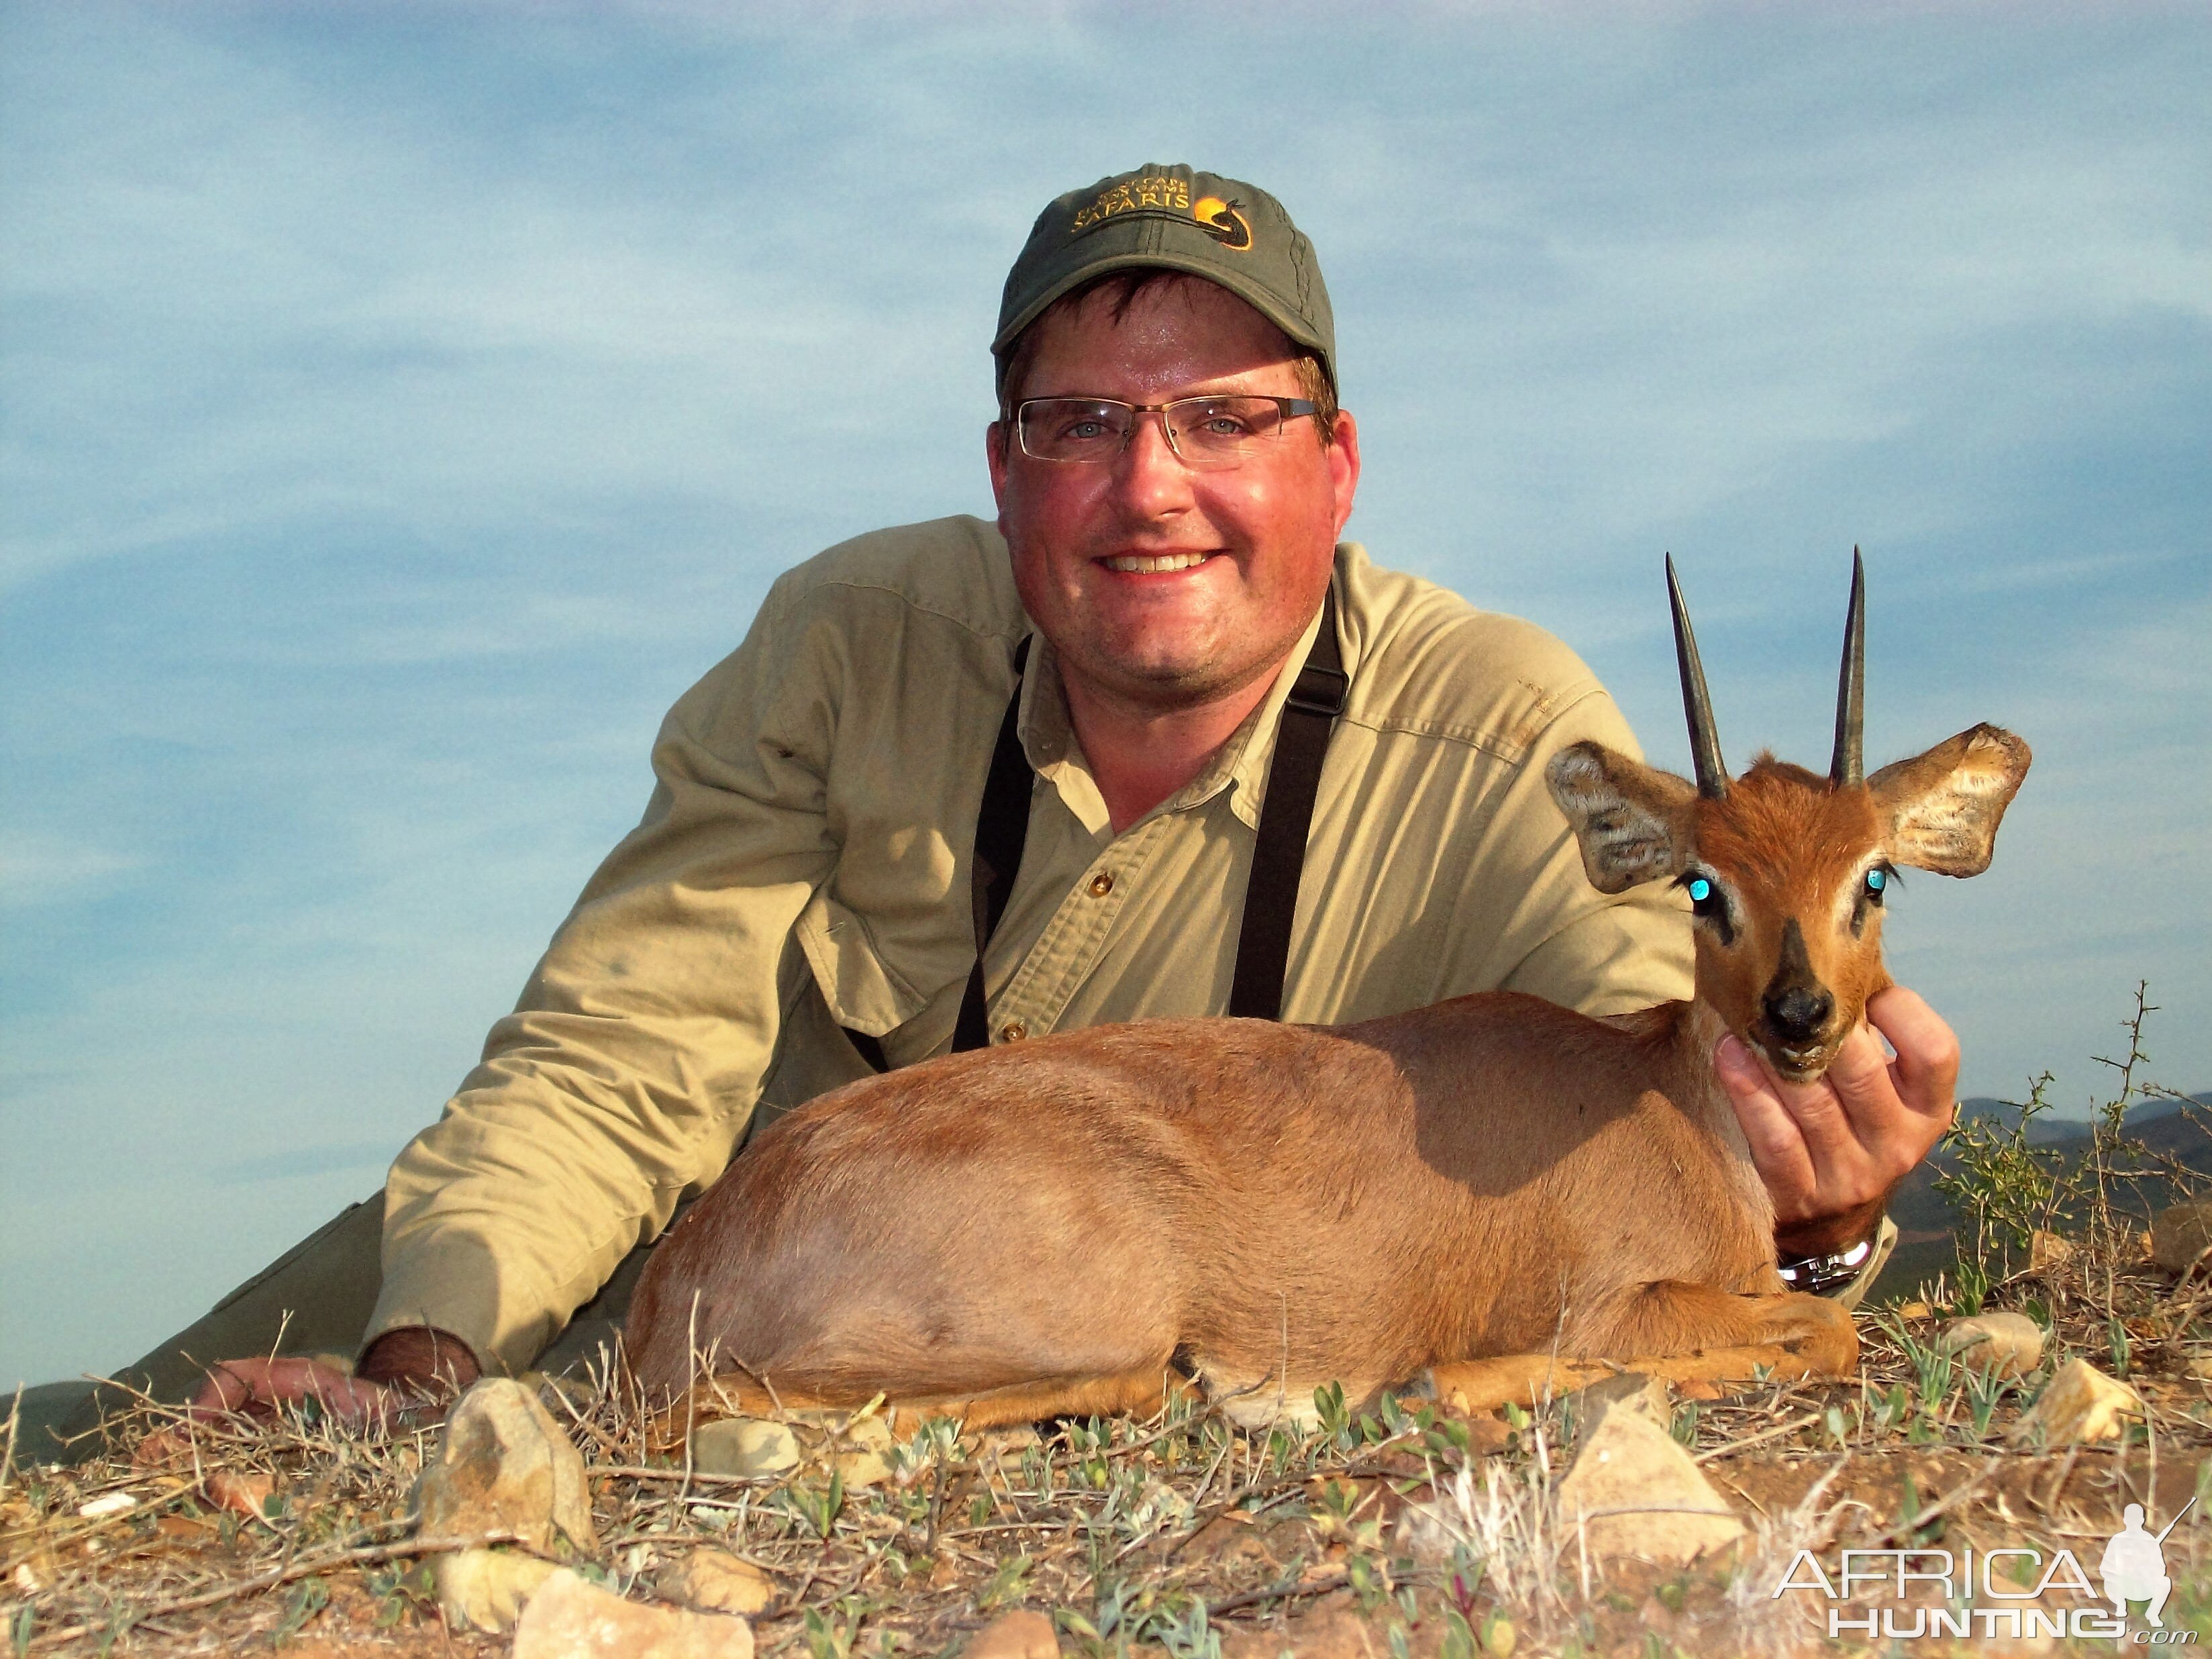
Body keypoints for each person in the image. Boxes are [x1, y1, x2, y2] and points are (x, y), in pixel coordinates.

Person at [162, 164, 1957, 1427]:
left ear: (1337, 468)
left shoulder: (1504, 740)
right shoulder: (852, 640)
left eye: (1229, 420)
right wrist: (426, 1359)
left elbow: (1643, 1141)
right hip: (667, 1252)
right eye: (1080, 423)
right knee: (138, 1446)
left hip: (1027, 1323)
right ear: (1004, 470)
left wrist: (1825, 1213)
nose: (1148, 486)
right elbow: (613, 1061)